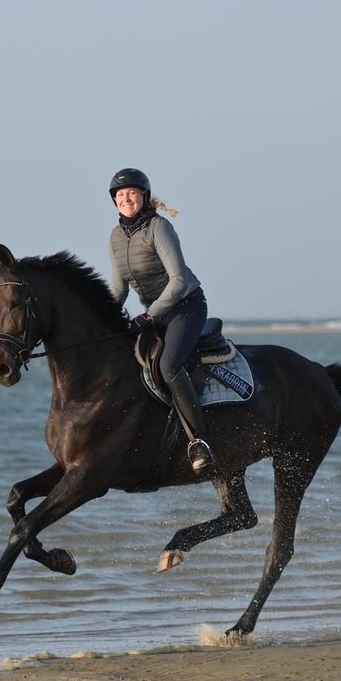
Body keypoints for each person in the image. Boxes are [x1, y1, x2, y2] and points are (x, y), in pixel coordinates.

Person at [107, 167, 214, 472]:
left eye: (132, 193)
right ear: (114, 201)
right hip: (154, 315)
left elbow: (178, 280)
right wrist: (106, 321)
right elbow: (118, 289)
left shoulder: (159, 227)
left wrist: (151, 314)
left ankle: (199, 441)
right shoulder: (115, 237)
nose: (126, 199)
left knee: (168, 365)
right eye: (120, 195)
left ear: (144, 196)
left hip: (185, 307)